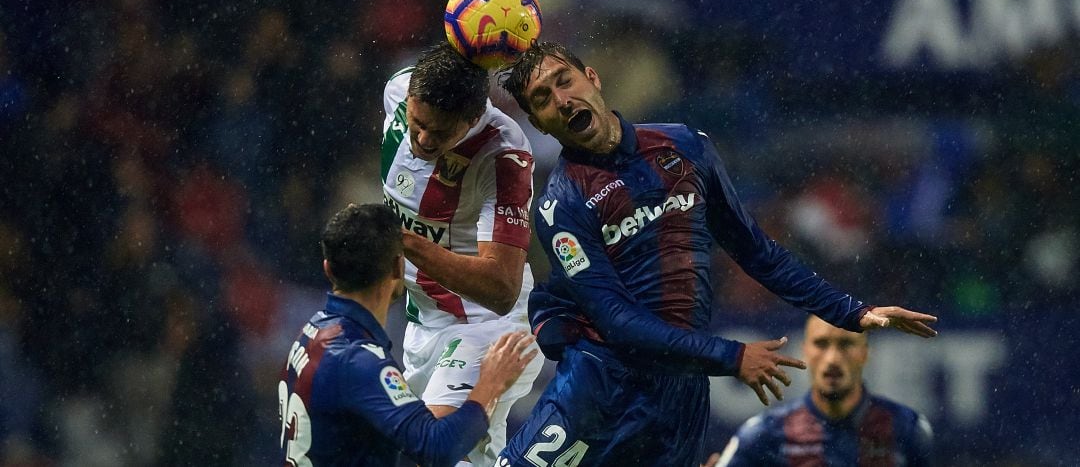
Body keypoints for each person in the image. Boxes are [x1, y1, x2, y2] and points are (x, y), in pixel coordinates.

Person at [494, 41, 938, 466]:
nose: (563, 99)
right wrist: (732, 356)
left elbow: (756, 251)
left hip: (681, 397)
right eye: (543, 98)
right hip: (600, 389)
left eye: (564, 81)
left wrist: (851, 312)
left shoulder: (685, 146)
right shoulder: (561, 207)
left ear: (592, 78)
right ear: (539, 122)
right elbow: (617, 322)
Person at [379, 42, 544, 465]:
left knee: (434, 449)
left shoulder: (503, 154)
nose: (422, 139)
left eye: (440, 132)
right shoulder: (398, 89)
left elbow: (501, 287)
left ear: (472, 119)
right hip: (422, 325)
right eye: (417, 123)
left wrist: (404, 240)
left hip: (489, 326)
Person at [277, 203, 537, 466]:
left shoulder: (311, 332)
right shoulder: (359, 360)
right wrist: (490, 384)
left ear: (328, 269)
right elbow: (437, 448)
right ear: (398, 268)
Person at [705, 315, 934, 466]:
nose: (832, 358)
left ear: (865, 353)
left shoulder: (907, 428)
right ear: (805, 351)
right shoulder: (764, 434)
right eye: (822, 344)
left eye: (845, 344)